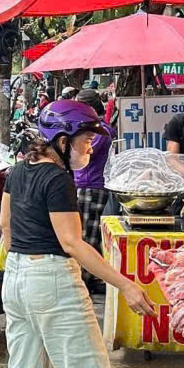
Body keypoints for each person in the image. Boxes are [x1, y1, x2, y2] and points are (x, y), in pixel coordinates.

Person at [0, 99, 158, 368]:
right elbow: (72, 242)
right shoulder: (57, 178)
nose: (90, 147)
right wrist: (125, 284)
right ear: (62, 139)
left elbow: (5, 226)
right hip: (52, 281)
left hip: (16, 279)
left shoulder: (19, 169)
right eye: (86, 139)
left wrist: (20, 266)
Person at [73, 89, 114, 294]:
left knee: (88, 236)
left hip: (93, 186)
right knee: (81, 233)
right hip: (83, 184)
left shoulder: (100, 131)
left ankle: (85, 279)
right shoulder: (91, 129)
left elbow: (84, 153)